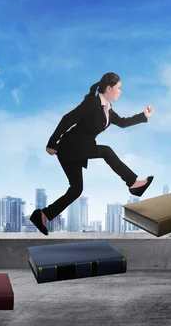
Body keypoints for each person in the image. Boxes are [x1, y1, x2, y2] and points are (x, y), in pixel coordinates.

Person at [30, 72, 154, 235]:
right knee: (106, 151)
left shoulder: (108, 110)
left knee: (76, 189)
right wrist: (52, 142)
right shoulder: (92, 103)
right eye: (119, 88)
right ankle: (133, 183)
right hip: (70, 147)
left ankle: (43, 215)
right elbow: (68, 118)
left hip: (78, 150)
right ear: (109, 88)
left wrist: (143, 116)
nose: (120, 92)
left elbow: (123, 122)